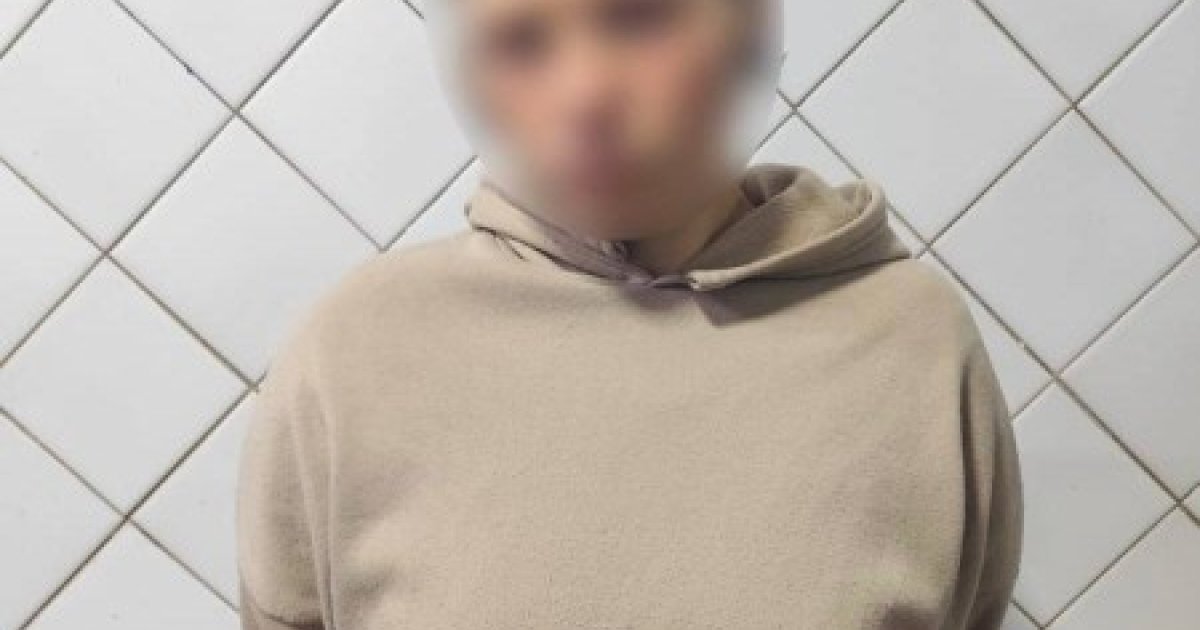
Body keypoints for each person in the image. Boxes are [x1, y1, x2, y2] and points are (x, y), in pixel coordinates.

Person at [235, 0, 1024, 628]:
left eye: (639, 18)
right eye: (520, 42)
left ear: (746, 28)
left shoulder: (912, 341)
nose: (587, 94)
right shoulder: (355, 354)